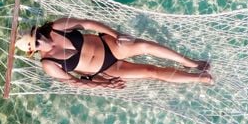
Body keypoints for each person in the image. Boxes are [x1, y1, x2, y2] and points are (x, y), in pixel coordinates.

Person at [14, 18, 213, 89]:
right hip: (107, 68)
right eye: (36, 42)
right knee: (151, 71)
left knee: (145, 46)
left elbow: (89, 24)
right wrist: (105, 84)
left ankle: (191, 63)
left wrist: (116, 34)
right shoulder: (48, 64)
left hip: (108, 44)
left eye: (37, 34)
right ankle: (198, 78)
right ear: (33, 50)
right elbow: (74, 81)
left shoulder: (56, 27)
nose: (40, 39)